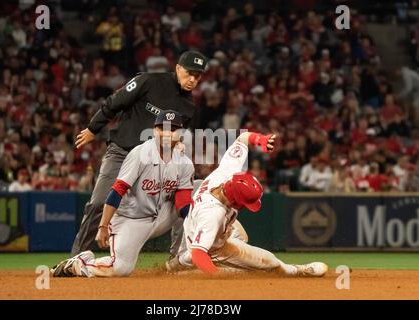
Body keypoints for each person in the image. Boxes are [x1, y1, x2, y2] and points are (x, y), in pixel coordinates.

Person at [71, 51, 207, 257]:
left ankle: (178, 259)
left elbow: (174, 134)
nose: (193, 79)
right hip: (122, 151)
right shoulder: (148, 81)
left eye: (197, 76)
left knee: (183, 195)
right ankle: (75, 257)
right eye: (189, 73)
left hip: (152, 163)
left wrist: (178, 143)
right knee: (99, 202)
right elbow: (114, 102)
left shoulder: (188, 106)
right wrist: (93, 128)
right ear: (178, 68)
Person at [51, 110, 194, 277]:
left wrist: (202, 221)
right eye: (163, 128)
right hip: (130, 219)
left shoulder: (184, 162)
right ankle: (79, 263)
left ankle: (184, 257)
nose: (167, 133)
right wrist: (103, 226)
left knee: (199, 193)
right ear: (155, 130)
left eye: (173, 129)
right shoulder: (140, 153)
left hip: (160, 217)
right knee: (120, 269)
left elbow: (183, 205)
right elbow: (117, 190)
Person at [165, 131, 328, 276]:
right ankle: (295, 270)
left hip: (198, 224)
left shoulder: (227, 173)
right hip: (211, 245)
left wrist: (261, 140)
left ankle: (178, 263)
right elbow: (199, 254)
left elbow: (243, 138)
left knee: (242, 236)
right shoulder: (213, 214)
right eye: (245, 203)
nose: (246, 207)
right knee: (269, 262)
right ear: (234, 200)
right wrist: (216, 276)